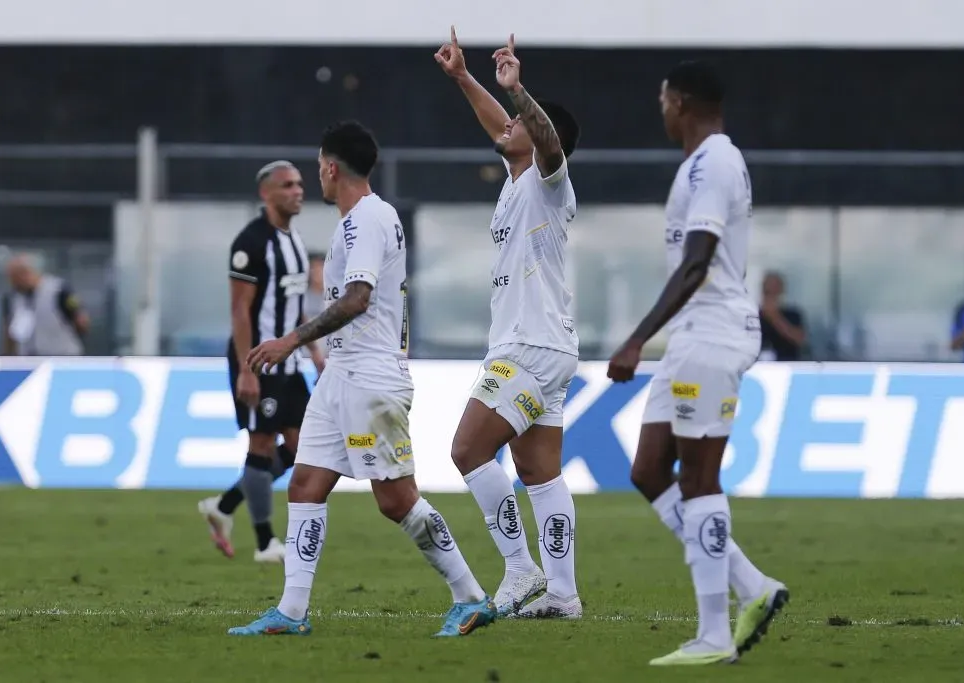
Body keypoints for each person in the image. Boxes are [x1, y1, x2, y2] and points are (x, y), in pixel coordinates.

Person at [228, 120, 496, 638]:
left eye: (317, 168)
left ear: (331, 168)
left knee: (395, 499)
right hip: (342, 374)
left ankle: (470, 596)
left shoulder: (368, 219)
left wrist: (291, 341)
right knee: (305, 485)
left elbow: (357, 298)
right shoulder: (355, 221)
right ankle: (292, 611)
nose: (316, 179)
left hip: (371, 378)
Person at [607, 61, 787, 667]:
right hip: (693, 337)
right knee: (649, 470)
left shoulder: (714, 163)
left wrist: (636, 339)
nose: (661, 110)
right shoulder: (700, 164)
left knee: (699, 481)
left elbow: (697, 262)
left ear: (680, 101)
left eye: (663, 100)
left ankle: (714, 635)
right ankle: (752, 586)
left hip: (711, 335)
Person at [435, 28, 583, 619]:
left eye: (518, 120)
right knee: (539, 473)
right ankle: (564, 594)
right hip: (546, 345)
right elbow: (504, 126)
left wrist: (520, 91)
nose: (509, 124)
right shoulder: (517, 180)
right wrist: (463, 78)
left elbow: (541, 136)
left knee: (468, 450)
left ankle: (521, 570)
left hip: (529, 347)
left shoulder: (551, 182)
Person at [197, 160, 323, 562]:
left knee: (303, 448)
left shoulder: (295, 241)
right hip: (258, 360)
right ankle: (266, 542)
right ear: (266, 193)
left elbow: (295, 304)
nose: (298, 191)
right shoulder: (250, 243)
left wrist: (314, 351)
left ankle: (224, 506)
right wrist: (247, 370)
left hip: (290, 362)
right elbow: (239, 310)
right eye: (287, 185)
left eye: (299, 184)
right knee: (262, 444)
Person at [1, 254, 88, 356]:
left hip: (62, 356)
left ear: (25, 274)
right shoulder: (13, 298)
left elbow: (81, 320)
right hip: (28, 358)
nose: (12, 283)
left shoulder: (59, 290)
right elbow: (9, 332)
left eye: (14, 278)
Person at [758, 271, 807, 361]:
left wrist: (775, 318)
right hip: (758, 366)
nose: (772, 296)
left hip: (788, 365)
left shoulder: (793, 315)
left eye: (775, 291)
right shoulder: (754, 316)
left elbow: (800, 340)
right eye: (768, 292)